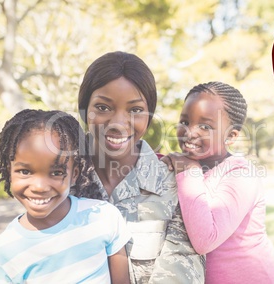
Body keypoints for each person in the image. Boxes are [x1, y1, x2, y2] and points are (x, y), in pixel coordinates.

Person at [77, 51, 205, 284]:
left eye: (135, 110)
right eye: (103, 107)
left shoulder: (173, 183)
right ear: (85, 109)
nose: (118, 123)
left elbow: (182, 272)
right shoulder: (61, 176)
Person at [162, 82, 274, 284]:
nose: (190, 132)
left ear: (231, 135)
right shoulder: (184, 164)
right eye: (185, 122)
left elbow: (206, 239)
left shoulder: (240, 174)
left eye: (205, 126)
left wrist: (189, 170)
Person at [0, 109, 131, 283]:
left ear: (74, 174)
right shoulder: (3, 251)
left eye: (56, 172)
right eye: (25, 171)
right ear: (8, 172)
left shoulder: (104, 217)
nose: (39, 187)